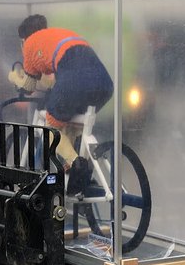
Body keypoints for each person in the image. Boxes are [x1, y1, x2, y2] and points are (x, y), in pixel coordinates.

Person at [8, 14, 113, 192]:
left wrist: (13, 77)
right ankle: (80, 175)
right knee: (71, 125)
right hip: (103, 84)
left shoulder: (30, 44)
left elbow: (29, 86)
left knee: (51, 129)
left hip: (74, 81)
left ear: (24, 38)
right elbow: (57, 77)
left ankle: (76, 164)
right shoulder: (57, 34)